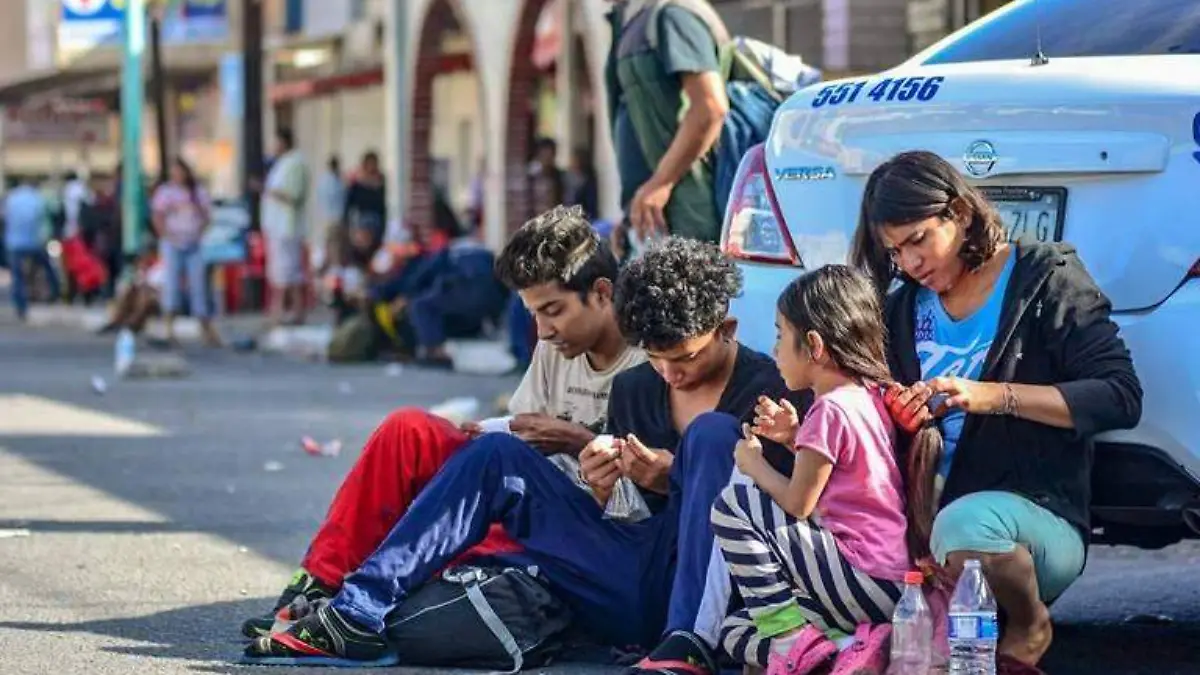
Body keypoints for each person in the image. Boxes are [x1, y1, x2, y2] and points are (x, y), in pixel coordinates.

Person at [243, 235, 806, 668]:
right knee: (497, 456)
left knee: (709, 437)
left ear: (725, 327)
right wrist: (607, 483)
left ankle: (688, 648)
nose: (669, 374)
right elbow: (630, 515)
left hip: (713, 590)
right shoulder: (639, 387)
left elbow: (779, 517)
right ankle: (356, 609)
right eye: (656, 359)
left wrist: (673, 478)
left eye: (682, 359)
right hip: (630, 572)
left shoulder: (767, 389)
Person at [239, 204, 645, 638]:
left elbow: (651, 504)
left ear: (602, 293)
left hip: (582, 532)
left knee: (473, 498)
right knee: (409, 430)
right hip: (524, 501)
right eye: (534, 315)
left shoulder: (649, 360)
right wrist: (498, 431)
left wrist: (575, 441)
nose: (543, 330)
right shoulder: (554, 347)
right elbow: (522, 433)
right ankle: (320, 582)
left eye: (554, 311)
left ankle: (360, 607)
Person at [851, 151, 1142, 673]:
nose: (910, 263)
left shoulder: (1044, 278)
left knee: (966, 526)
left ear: (960, 212)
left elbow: (1119, 396)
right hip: (928, 530)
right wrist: (901, 416)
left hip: (1028, 519)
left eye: (918, 239)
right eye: (896, 252)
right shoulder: (901, 309)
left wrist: (992, 396)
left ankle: (1030, 624)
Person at [711, 265, 941, 673]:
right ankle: (848, 650)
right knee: (736, 629)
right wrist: (792, 437)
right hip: (886, 585)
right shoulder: (863, 397)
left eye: (782, 334)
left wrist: (753, 463)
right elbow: (844, 472)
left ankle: (793, 643)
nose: (775, 347)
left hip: (860, 573)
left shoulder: (829, 409)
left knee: (733, 505)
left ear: (814, 345)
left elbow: (799, 502)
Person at [605, 0, 729, 246]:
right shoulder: (635, 20)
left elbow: (710, 108)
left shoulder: (675, 14)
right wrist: (632, 211)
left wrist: (660, 183)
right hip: (658, 221)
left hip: (691, 220)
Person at [150, 157, 221, 347]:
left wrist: (199, 232)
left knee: (198, 286)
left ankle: (206, 328)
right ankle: (169, 329)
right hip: (173, 243)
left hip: (193, 243)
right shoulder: (166, 192)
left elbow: (207, 215)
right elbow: (157, 216)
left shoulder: (197, 193)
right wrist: (166, 235)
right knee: (171, 285)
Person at [260, 128, 310, 327]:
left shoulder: (296, 164)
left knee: (288, 272)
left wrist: (270, 191)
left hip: (287, 227)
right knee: (283, 272)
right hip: (278, 227)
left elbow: (294, 196)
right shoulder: (282, 164)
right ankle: (283, 312)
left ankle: (284, 312)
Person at [4, 177, 59, 320]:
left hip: (14, 242)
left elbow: (5, 218)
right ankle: (54, 292)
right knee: (47, 268)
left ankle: (20, 305)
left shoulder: (11, 198)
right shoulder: (37, 198)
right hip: (34, 242)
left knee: (17, 276)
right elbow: (45, 220)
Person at [342, 151, 387, 267]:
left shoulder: (380, 181)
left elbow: (382, 204)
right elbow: (349, 202)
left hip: (376, 219)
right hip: (362, 218)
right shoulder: (357, 181)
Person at [315, 155, 346, 274]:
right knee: (333, 244)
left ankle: (331, 267)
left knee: (332, 243)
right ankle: (333, 268)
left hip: (330, 218)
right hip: (333, 218)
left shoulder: (329, 180)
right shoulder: (332, 181)